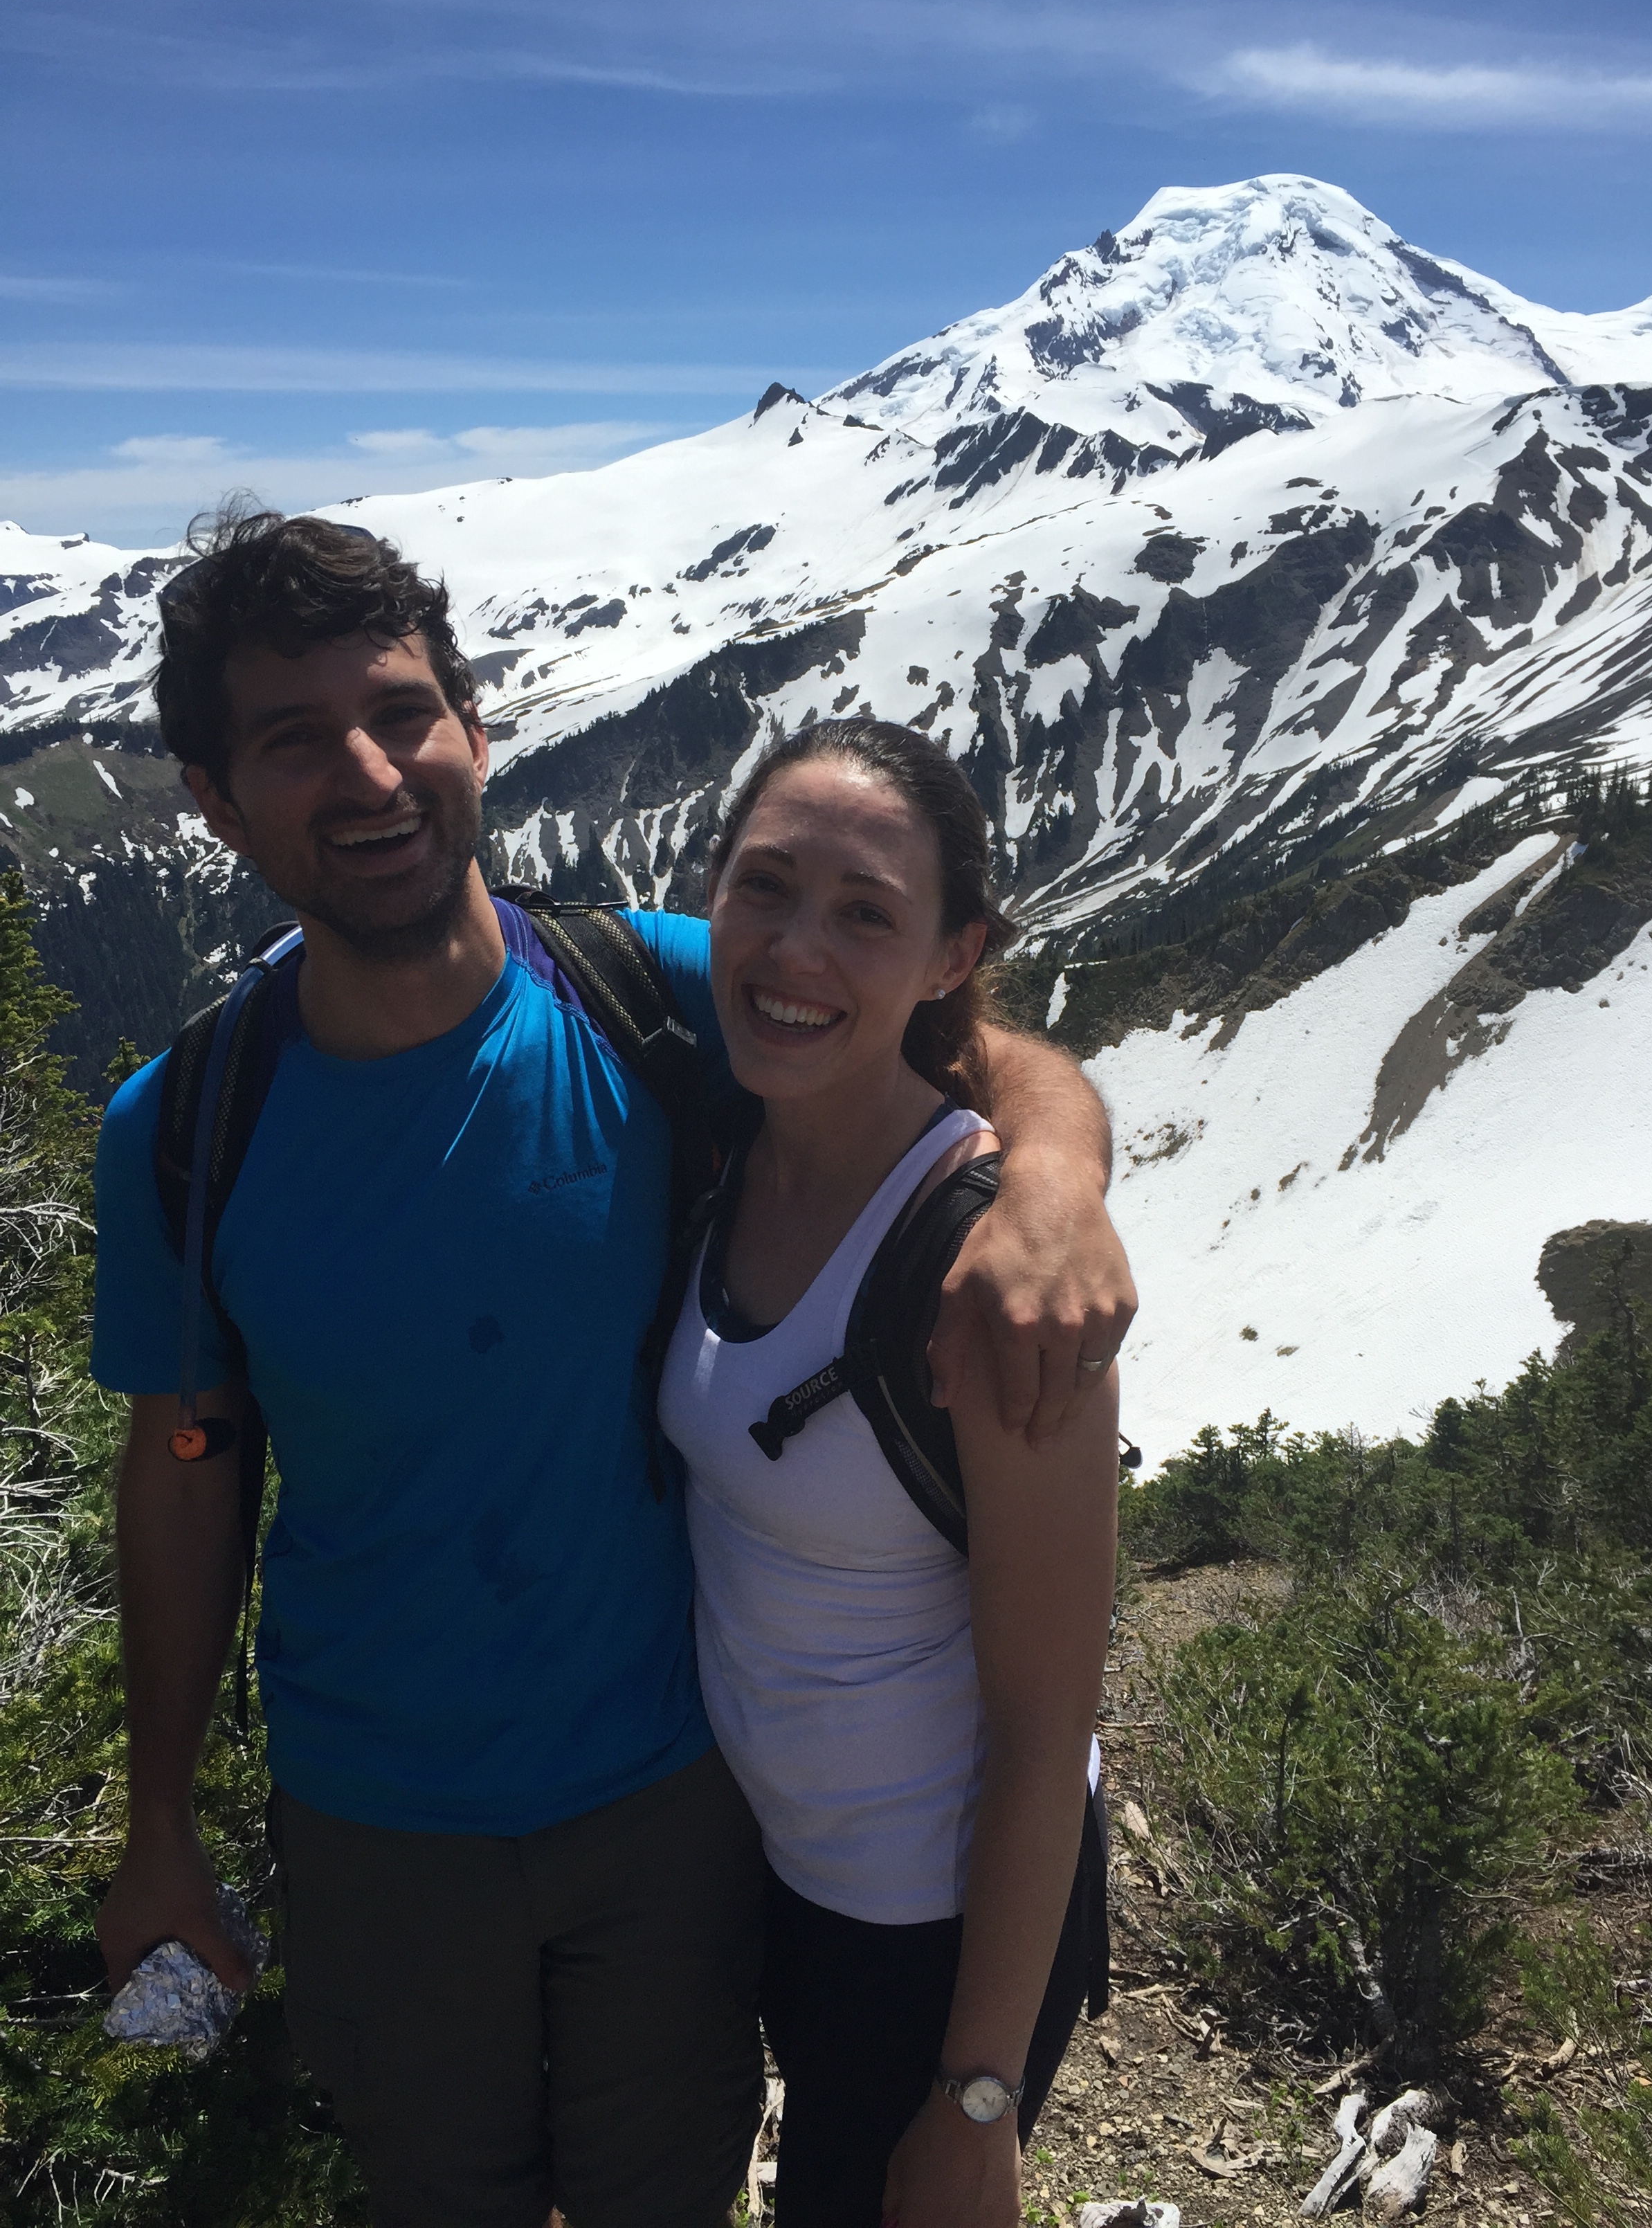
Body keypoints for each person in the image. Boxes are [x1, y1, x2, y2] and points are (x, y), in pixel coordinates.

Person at [89, 509, 1137, 2228]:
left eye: (404, 714)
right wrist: (158, 1822)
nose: (370, 775)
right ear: (214, 799)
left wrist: (1055, 1182)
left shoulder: (652, 995)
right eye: (293, 741)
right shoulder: (187, 1129)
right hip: (379, 1821)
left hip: (672, 1809)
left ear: (476, 730)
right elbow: (187, 1468)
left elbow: (959, 1038)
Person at [658, 719, 1123, 2228]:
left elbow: (1046, 1731)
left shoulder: (992, 1283)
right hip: (787, 1872)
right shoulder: (732, 1127)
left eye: (867, 913)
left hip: (930, 1926)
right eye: (765, 887)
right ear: (710, 898)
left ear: (949, 956)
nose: (797, 948)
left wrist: (977, 2099)